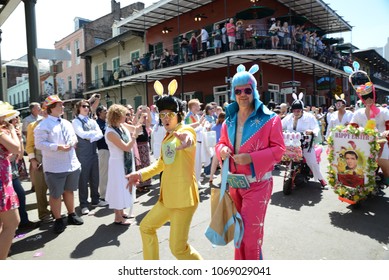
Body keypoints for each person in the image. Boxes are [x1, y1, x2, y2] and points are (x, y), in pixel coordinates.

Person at [126, 79, 203, 260]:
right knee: (146, 228)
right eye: (162, 114)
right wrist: (140, 174)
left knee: (178, 249)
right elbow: (161, 164)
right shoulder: (168, 136)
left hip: (183, 200)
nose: (165, 118)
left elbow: (188, 139)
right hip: (167, 199)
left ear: (179, 114)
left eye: (169, 114)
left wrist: (187, 141)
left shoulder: (184, 131)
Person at [216, 64, 285, 260]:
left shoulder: (270, 119)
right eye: (238, 91)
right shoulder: (229, 118)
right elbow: (221, 142)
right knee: (239, 234)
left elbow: (279, 150)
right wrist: (221, 150)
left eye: (247, 89)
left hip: (258, 184)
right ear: (233, 93)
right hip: (234, 184)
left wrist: (251, 158)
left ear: (254, 90)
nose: (243, 94)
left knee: (251, 236)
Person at [34, 95, 84, 234]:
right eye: (59, 105)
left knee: (69, 191)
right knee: (56, 194)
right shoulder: (42, 126)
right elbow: (39, 144)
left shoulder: (67, 123)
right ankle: (58, 219)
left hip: (72, 164)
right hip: (55, 167)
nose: (63, 107)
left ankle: (71, 214)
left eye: (62, 105)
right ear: (50, 109)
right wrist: (58, 147)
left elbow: (73, 137)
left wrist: (72, 143)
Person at [281, 93, 328, 189]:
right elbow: (280, 125)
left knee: (312, 162)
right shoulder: (289, 117)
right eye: (294, 110)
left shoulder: (309, 117)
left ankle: (320, 179)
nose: (296, 112)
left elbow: (316, 128)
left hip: (305, 144)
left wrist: (311, 131)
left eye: (298, 110)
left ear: (302, 110)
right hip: (291, 144)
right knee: (285, 158)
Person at [105, 104, 138, 225]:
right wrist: (134, 138)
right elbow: (126, 147)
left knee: (124, 186)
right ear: (117, 116)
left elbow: (135, 128)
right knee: (118, 188)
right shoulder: (110, 132)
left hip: (126, 161)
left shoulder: (122, 125)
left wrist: (140, 117)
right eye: (124, 115)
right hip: (117, 163)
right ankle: (117, 217)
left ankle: (122, 211)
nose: (126, 117)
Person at [72, 100, 106, 215]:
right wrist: (93, 135)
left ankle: (95, 200)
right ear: (78, 108)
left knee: (95, 177)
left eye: (87, 106)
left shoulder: (92, 121)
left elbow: (100, 134)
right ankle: (83, 204)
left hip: (93, 152)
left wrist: (90, 137)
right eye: (83, 106)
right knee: (83, 179)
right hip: (83, 154)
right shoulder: (76, 121)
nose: (86, 108)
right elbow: (81, 134)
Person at [0, 101, 21, 259]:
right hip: (1, 182)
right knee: (13, 222)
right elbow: (16, 149)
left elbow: (14, 155)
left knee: (3, 225)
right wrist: (13, 130)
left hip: (4, 179)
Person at [25, 105, 52, 223]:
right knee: (40, 188)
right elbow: (29, 145)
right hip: (39, 158)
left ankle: (55, 210)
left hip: (54, 158)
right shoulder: (33, 125)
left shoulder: (57, 123)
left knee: (55, 187)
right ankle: (43, 214)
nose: (46, 112)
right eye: (44, 110)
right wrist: (33, 160)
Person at [96, 105, 109, 202]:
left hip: (109, 150)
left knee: (109, 173)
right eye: (105, 111)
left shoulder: (106, 123)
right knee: (104, 173)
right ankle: (103, 195)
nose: (107, 112)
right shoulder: (97, 124)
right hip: (102, 150)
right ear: (99, 113)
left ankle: (108, 193)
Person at [209, 111, 225, 184]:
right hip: (222, 146)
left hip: (215, 146)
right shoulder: (225, 126)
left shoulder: (214, 126)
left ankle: (211, 177)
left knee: (214, 163)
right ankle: (222, 180)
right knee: (222, 164)